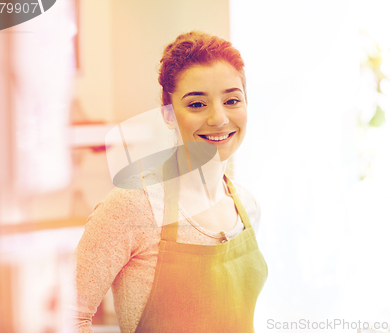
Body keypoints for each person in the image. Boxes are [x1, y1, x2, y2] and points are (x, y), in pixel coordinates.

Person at [72, 31, 268, 333]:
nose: (218, 118)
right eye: (197, 105)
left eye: (232, 100)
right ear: (168, 114)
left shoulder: (247, 206)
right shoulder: (132, 206)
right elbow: (68, 318)